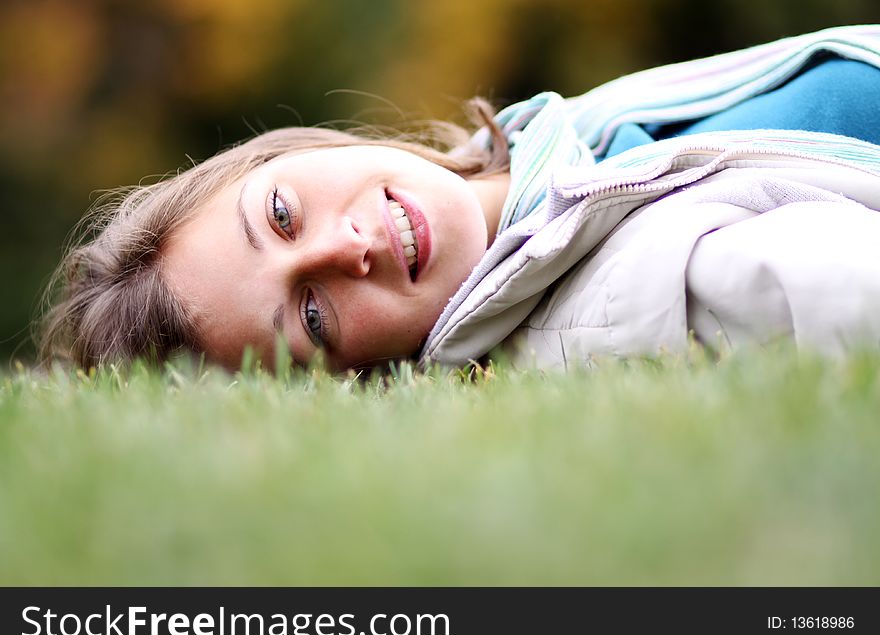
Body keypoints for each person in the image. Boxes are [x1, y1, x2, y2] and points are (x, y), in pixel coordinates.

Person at [38, 25, 880, 372]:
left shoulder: (562, 147)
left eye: (282, 216)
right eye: (314, 317)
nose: (342, 250)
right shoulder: (603, 300)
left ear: (294, 152)